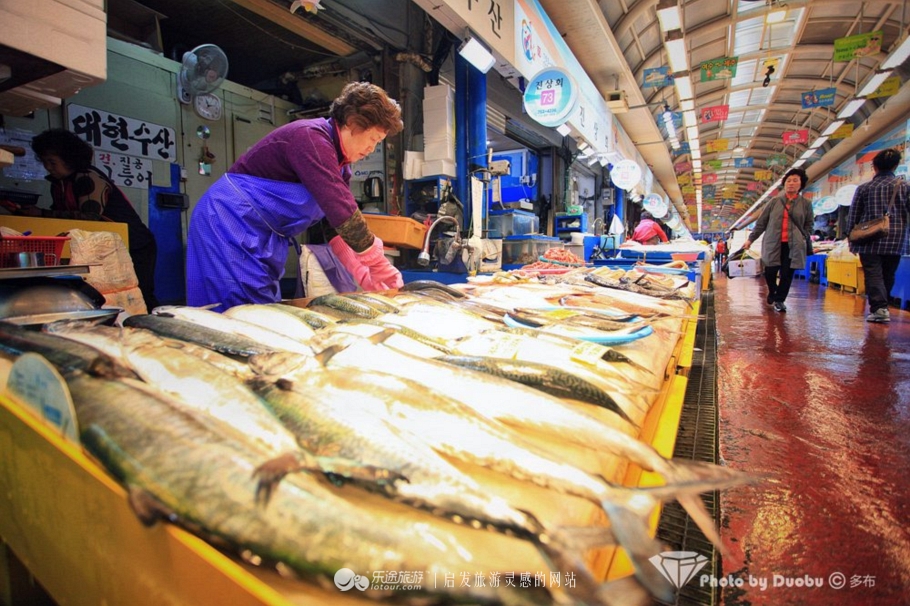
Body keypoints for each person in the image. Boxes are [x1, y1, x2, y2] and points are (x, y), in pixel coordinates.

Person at [185, 81, 404, 311]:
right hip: (228, 223)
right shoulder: (310, 138)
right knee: (235, 312)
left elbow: (334, 227)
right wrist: (378, 263)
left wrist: (363, 273)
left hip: (261, 237)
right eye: (373, 140)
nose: (371, 149)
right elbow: (343, 212)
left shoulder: (342, 166)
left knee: (260, 310)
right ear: (352, 123)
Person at [20, 128, 159, 311]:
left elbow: (91, 216)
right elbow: (60, 214)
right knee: (103, 293)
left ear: (69, 158)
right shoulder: (59, 184)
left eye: (52, 161)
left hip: (135, 244)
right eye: (45, 162)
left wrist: (41, 214)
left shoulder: (87, 178)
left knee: (138, 292)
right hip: (106, 245)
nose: (48, 167)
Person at [844, 148, 909, 323]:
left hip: (868, 238)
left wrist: (850, 238)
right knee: (889, 273)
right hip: (896, 238)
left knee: (873, 272)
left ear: (874, 167)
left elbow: (854, 216)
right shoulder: (905, 186)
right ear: (896, 165)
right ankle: (882, 307)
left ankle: (879, 308)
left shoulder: (864, 188)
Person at [743, 168, 814, 312]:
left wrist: (803, 236)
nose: (791, 183)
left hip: (793, 245)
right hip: (773, 243)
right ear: (784, 183)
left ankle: (780, 300)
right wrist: (750, 240)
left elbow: (809, 224)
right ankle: (773, 291)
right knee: (770, 270)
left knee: (787, 274)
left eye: (795, 180)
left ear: (801, 184)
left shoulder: (805, 203)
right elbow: (761, 223)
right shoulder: (774, 202)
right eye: (788, 180)